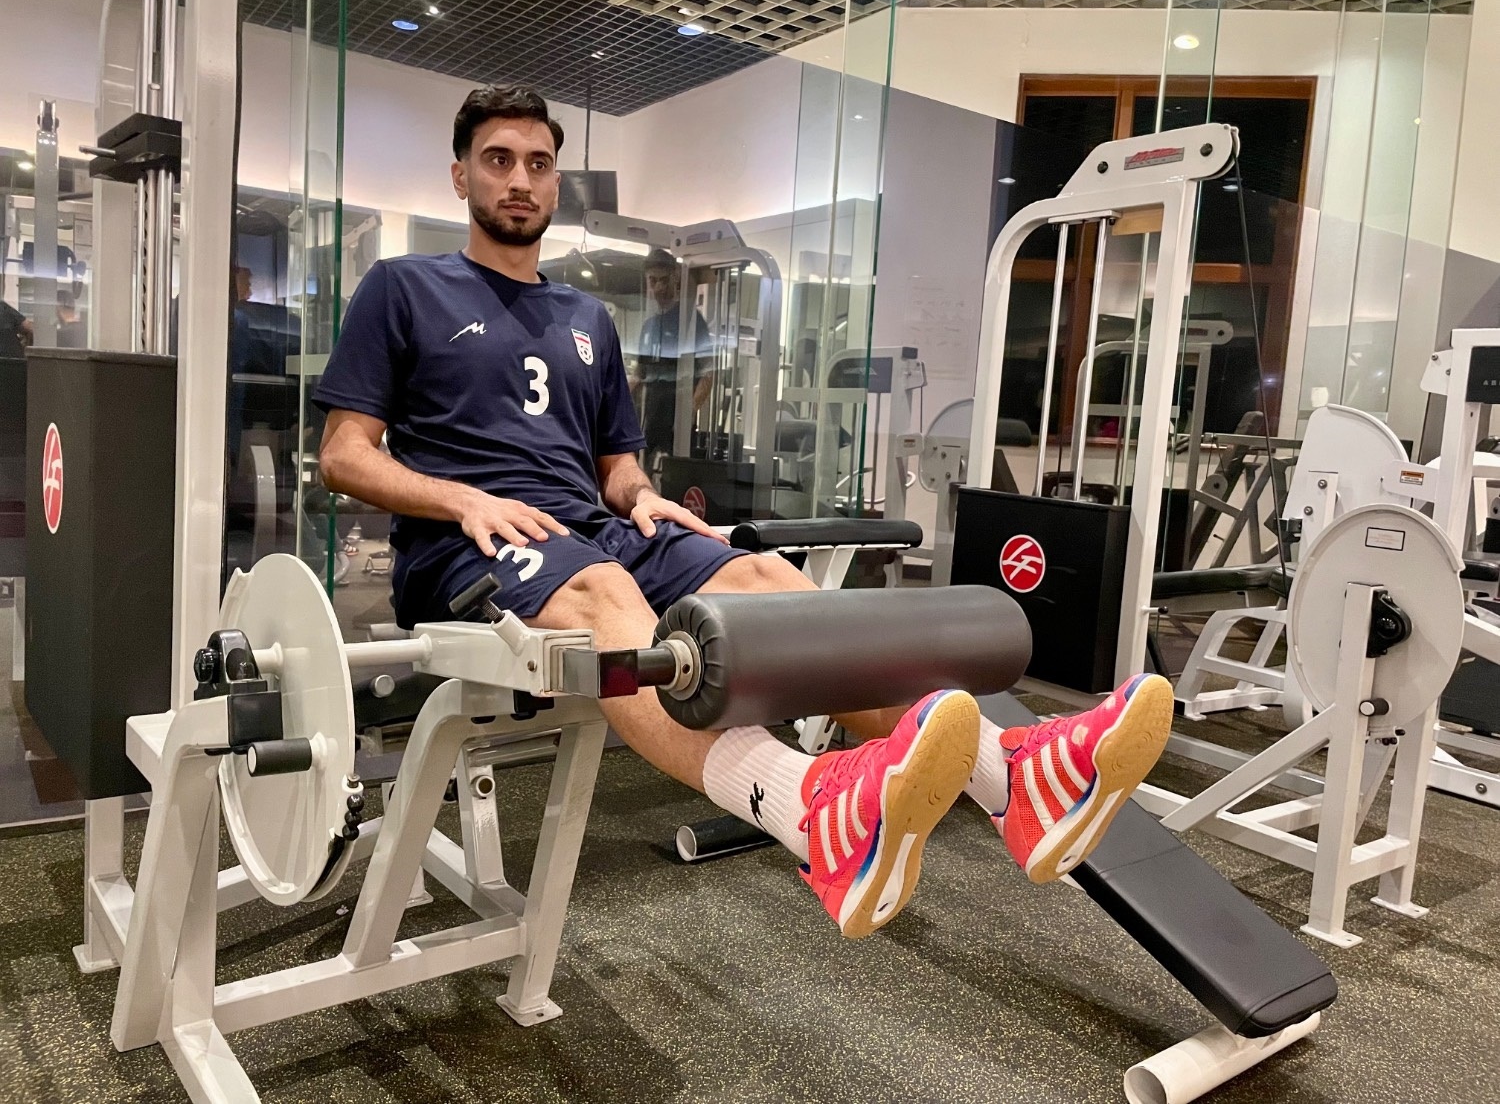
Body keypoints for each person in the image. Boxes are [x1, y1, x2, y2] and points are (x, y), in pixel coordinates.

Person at [314, 84, 1173, 939]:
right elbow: (343, 454)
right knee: (608, 595)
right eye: (498, 160)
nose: (519, 180)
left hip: (592, 530)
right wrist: (461, 496)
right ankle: (804, 807)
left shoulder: (584, 317)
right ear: (460, 175)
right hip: (466, 549)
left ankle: (1012, 780)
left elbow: (614, 465)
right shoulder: (404, 287)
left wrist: (643, 497)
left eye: (538, 163)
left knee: (765, 579)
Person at [635, 248, 713, 461]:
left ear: (675, 277)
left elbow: (708, 373)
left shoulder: (691, 320)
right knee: (643, 468)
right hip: (652, 408)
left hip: (678, 405)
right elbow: (639, 374)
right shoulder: (649, 325)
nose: (659, 288)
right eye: (653, 281)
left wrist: (690, 411)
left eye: (664, 280)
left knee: (675, 472)